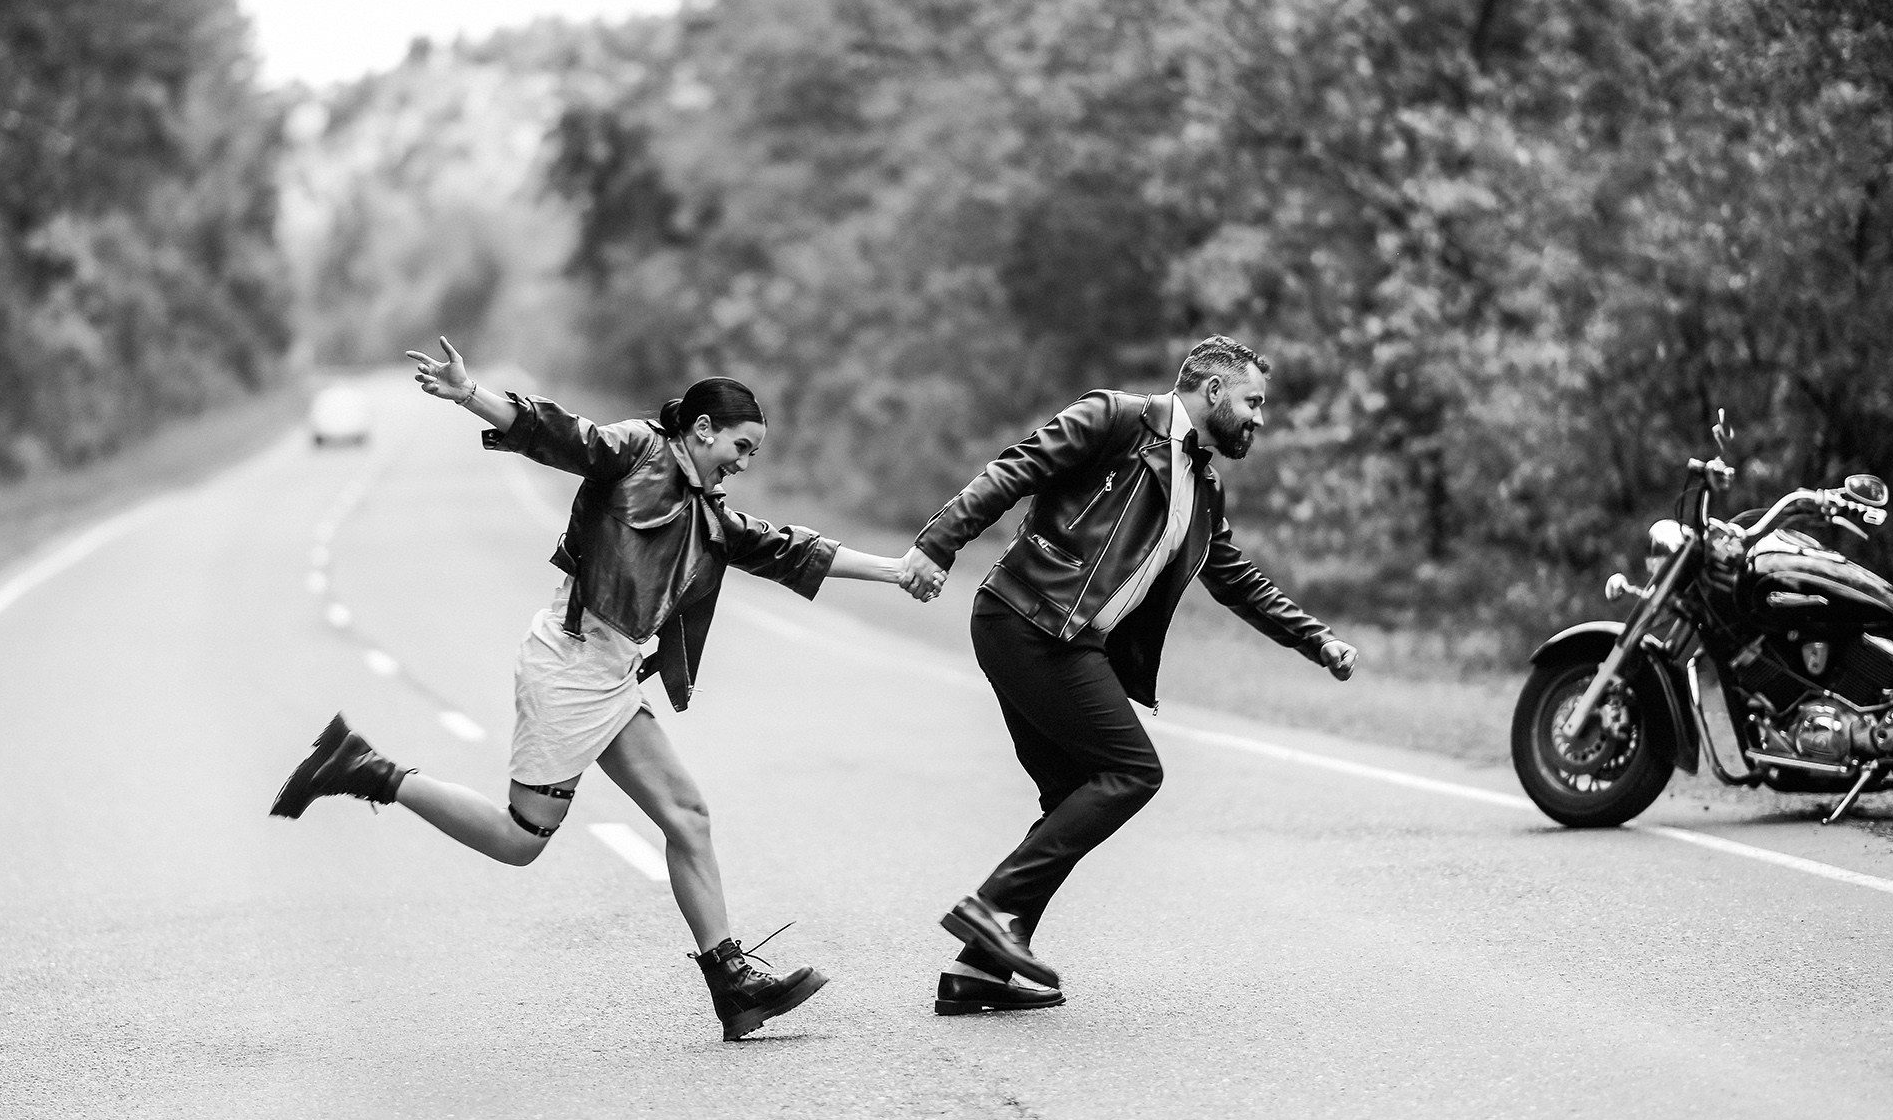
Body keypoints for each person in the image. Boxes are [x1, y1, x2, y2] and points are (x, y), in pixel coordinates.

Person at [267, 340, 933, 1041]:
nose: (744, 462)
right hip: (569, 667)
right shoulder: (638, 450)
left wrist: (897, 569)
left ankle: (732, 984)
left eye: (752, 453)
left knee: (687, 816)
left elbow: (792, 547)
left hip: (610, 674)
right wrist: (471, 395)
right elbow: (561, 432)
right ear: (703, 428)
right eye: (741, 446)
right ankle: (368, 769)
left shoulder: (710, 514)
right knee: (520, 839)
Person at [901, 335, 1358, 1015]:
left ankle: (977, 973)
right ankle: (992, 909)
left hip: (1069, 639)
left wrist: (1315, 639)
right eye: (1253, 401)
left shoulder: (1203, 483)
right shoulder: (1114, 418)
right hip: (1027, 619)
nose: (1260, 418)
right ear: (1213, 390)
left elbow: (1234, 577)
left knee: (1071, 796)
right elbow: (1012, 471)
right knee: (1132, 771)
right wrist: (937, 544)